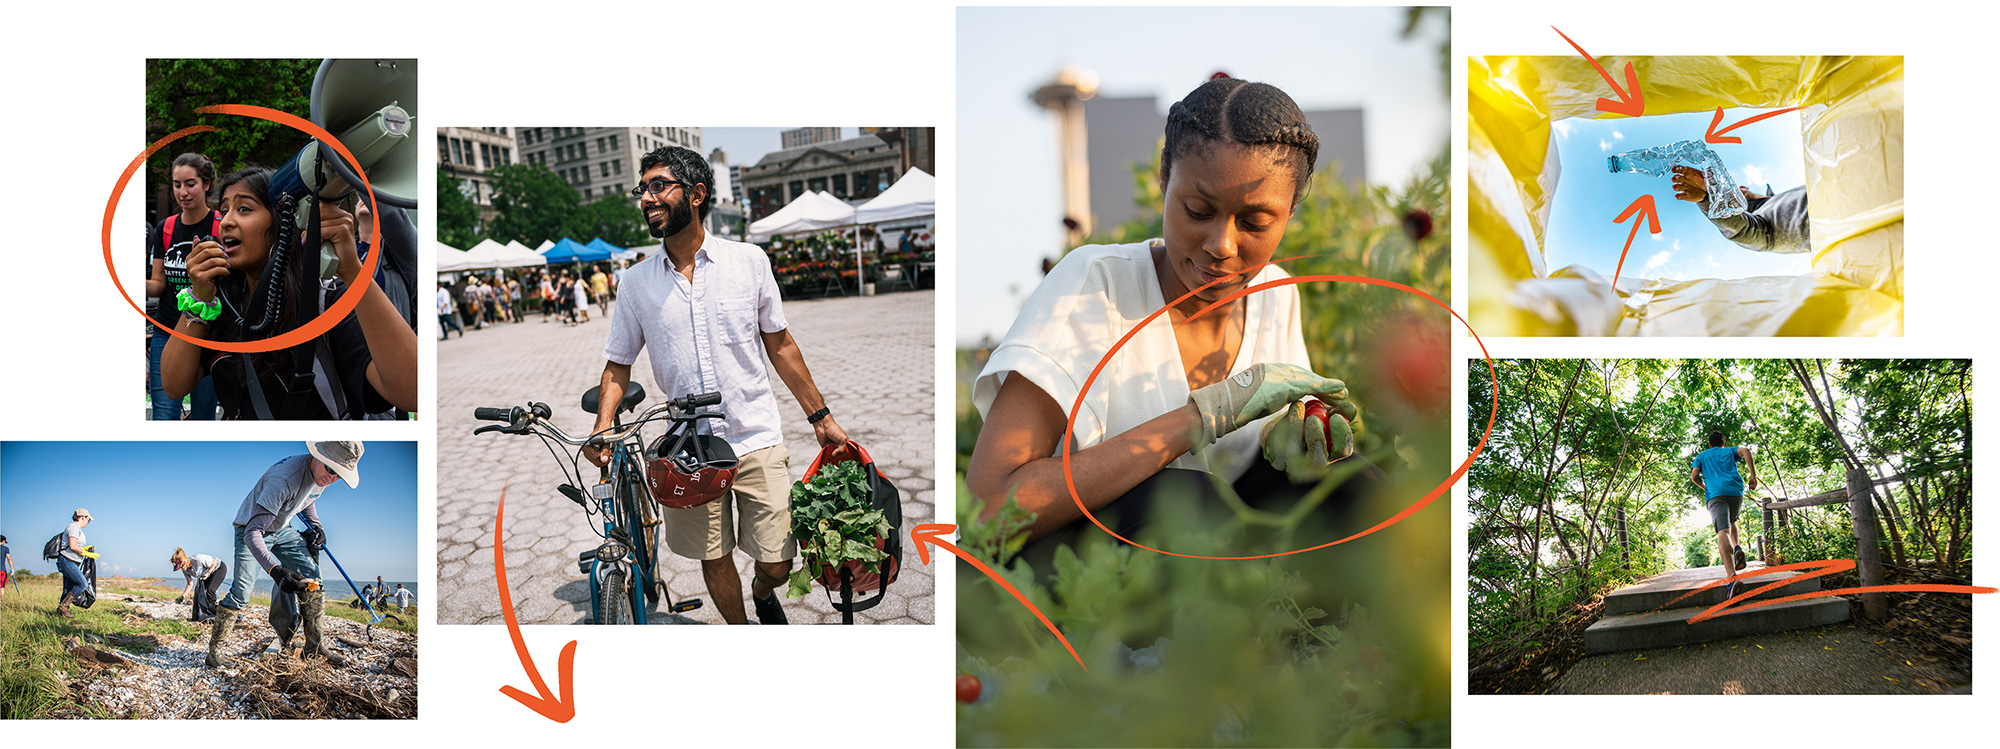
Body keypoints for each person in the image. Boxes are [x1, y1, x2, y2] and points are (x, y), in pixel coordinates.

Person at [968, 78, 1355, 551]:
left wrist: (1296, 431)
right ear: (1164, 177)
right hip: (1079, 581)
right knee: (1183, 499)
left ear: (1290, 212)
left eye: (1255, 223)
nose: (1222, 246)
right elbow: (988, 511)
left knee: (1353, 488)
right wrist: (1202, 417)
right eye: (1197, 210)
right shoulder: (1097, 287)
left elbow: (1269, 456)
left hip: (1211, 570)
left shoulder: (1276, 294)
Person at [583, 145, 850, 626]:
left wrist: (821, 418)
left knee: (777, 559)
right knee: (714, 552)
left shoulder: (749, 261)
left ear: (698, 193)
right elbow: (618, 363)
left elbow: (782, 345)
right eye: (641, 189)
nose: (646, 198)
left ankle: (764, 592)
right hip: (689, 449)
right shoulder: (635, 283)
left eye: (658, 185)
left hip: (755, 435)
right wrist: (603, 423)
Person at [160, 168, 419, 420]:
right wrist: (199, 297)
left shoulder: (326, 299)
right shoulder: (223, 299)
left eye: (244, 209)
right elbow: (174, 386)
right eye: (224, 210)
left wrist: (352, 271)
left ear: (284, 223)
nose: (226, 221)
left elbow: (412, 392)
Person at [206, 441, 364, 668]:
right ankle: (215, 653)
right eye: (331, 470)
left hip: (282, 529)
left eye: (339, 475)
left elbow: (307, 499)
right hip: (251, 529)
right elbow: (253, 533)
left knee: (312, 575)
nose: (332, 478)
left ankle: (315, 646)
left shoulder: (324, 474)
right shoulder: (284, 479)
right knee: (241, 592)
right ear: (319, 457)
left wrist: (317, 527)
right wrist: (275, 570)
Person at [146, 153, 224, 421]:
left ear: (206, 184)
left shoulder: (222, 225)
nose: (182, 192)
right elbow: (158, 285)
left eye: (190, 184)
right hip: (167, 331)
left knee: (203, 416)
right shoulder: (165, 228)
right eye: (177, 185)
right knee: (164, 415)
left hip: (207, 334)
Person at [1669, 165, 1810, 255]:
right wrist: (1708, 198)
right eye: (1724, 196)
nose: (1727, 197)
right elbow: (1741, 230)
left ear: (1742, 188)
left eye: (1728, 193)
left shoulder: (1777, 199)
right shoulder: (1760, 222)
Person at [1692, 430, 1759, 596]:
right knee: (1732, 521)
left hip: (1715, 494)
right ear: (1723, 442)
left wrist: (1705, 487)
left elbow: (1694, 476)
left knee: (1722, 531)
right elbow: (1746, 451)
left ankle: (1731, 578)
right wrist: (1753, 476)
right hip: (1735, 492)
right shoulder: (1729, 451)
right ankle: (1737, 548)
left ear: (1710, 444)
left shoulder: (1702, 455)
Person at [56, 509, 99, 618]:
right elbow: (73, 546)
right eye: (88, 519)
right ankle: (63, 607)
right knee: (82, 584)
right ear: (83, 517)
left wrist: (84, 549)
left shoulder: (77, 529)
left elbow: (75, 545)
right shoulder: (73, 527)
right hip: (67, 560)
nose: (88, 522)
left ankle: (61, 614)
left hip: (71, 561)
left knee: (67, 589)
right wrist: (84, 552)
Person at [170, 548, 227, 623]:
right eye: (178, 568)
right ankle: (203, 615)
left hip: (218, 568)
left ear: (184, 561)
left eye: (180, 566)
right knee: (200, 595)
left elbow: (214, 564)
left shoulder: (197, 559)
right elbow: (190, 584)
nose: (181, 569)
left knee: (210, 590)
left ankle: (214, 614)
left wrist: (208, 573)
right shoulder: (185, 570)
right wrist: (182, 596)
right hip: (207, 574)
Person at [1, 535, 13, 600]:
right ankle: (2, 602)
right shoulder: (6, 549)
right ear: (3, 541)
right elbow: (9, 559)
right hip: (2, 570)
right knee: (2, 587)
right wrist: (12, 569)